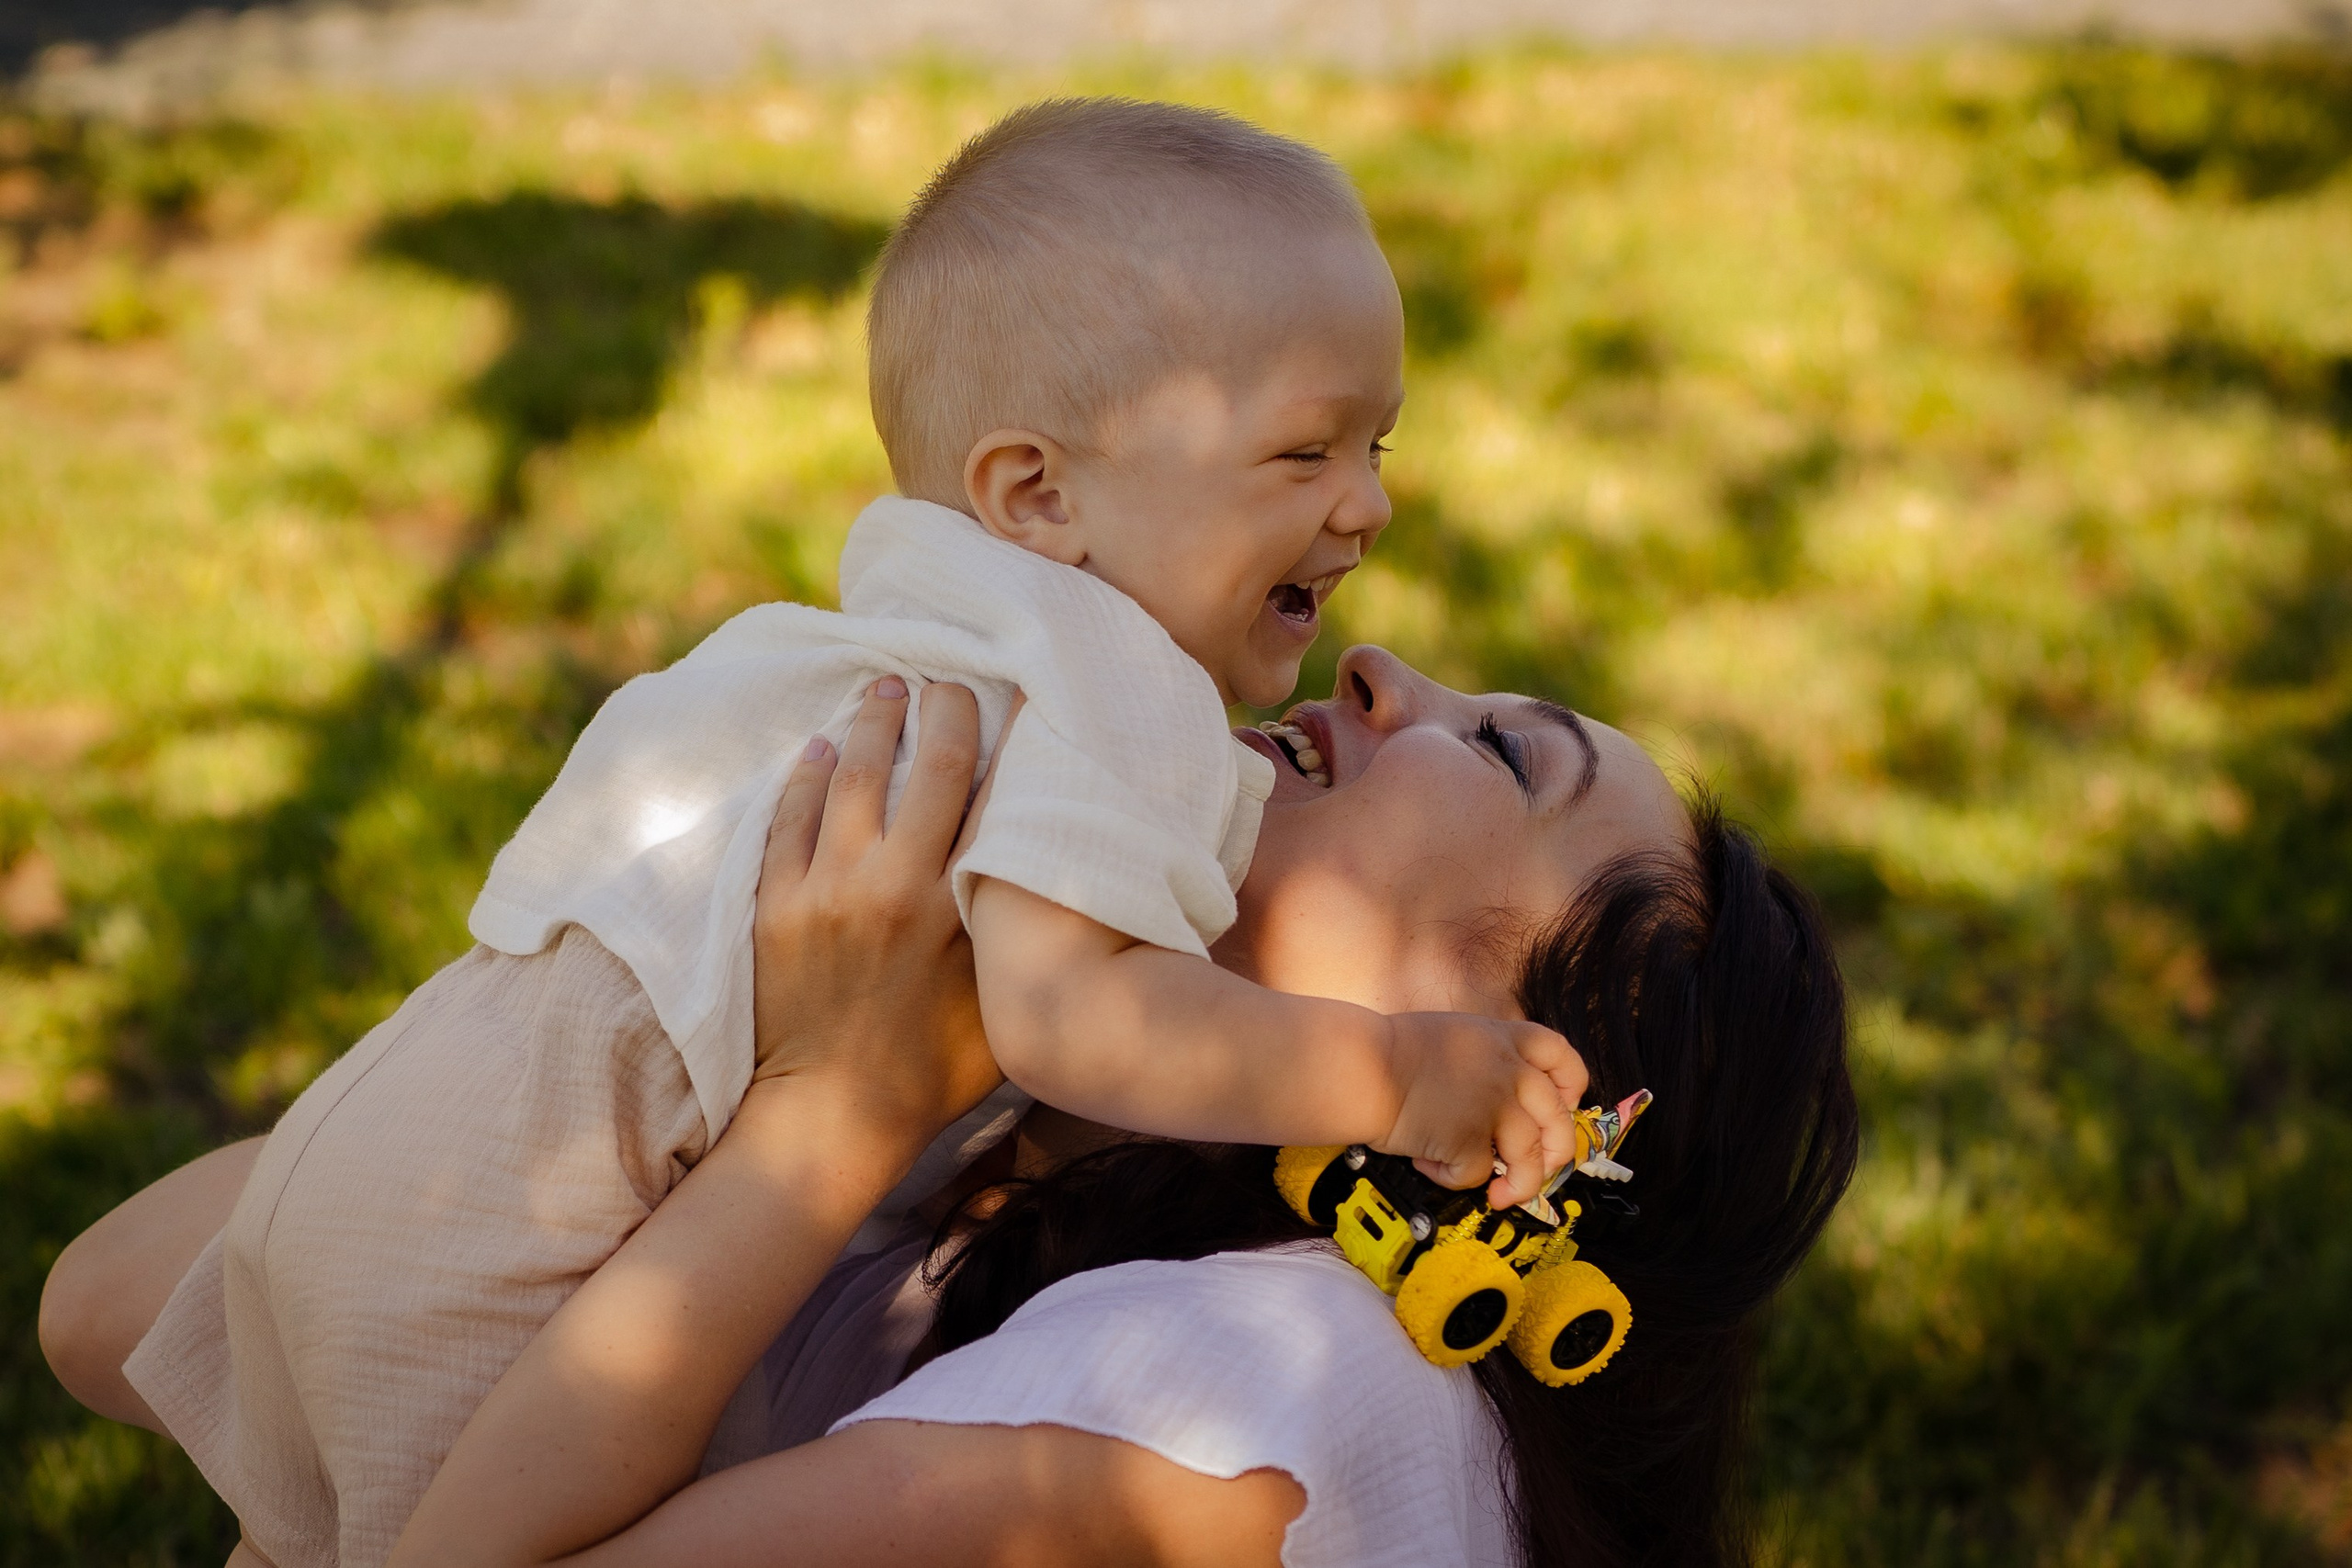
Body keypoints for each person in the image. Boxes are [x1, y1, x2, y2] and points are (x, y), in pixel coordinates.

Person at [110, 99, 1595, 1568]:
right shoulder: (1117, 684)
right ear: (1039, 493)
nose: (1373, 505)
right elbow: (1076, 1013)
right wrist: (1388, 1074)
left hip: (408, 1125)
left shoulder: (917, 613)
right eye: (1306, 455)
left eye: (1377, 445)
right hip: (531, 1228)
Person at [46, 646, 1860, 1568]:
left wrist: (819, 1109)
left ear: (1506, 1079)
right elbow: (119, 1310)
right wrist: (692, 1010)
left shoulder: (1247, 1394)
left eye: (1501, 750)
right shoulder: (1013, 1177)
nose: (1390, 672)